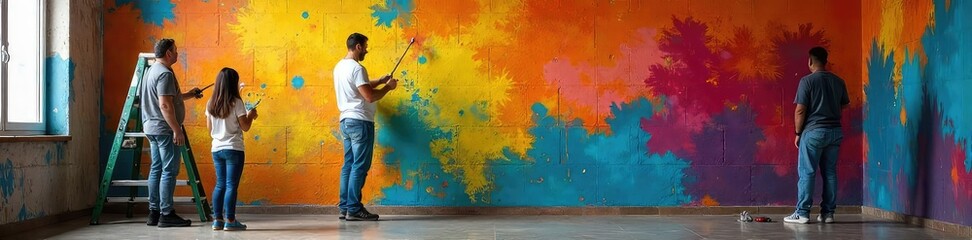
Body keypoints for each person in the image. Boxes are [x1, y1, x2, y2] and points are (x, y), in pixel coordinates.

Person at [333, 33, 398, 221]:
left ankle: (345, 207)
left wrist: (379, 80)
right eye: (366, 46)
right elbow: (369, 96)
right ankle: (354, 208)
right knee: (360, 166)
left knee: (349, 165)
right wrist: (388, 87)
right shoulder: (357, 68)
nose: (367, 50)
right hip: (360, 122)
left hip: (345, 121)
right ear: (359, 47)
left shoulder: (339, 67)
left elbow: (359, 86)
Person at [784, 46, 850, 224]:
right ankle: (828, 214)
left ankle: (802, 213)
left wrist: (798, 133)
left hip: (813, 132)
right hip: (835, 132)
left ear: (810, 61)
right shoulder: (839, 81)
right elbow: (844, 105)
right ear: (826, 61)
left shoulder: (807, 81)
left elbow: (800, 110)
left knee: (807, 172)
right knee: (830, 173)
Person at [141, 38, 202, 228]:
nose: (177, 54)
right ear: (168, 53)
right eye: (175, 51)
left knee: (157, 169)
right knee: (169, 170)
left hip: (151, 127)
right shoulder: (165, 74)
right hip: (164, 129)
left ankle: (154, 212)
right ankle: (166, 213)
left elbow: (168, 97)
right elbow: (165, 104)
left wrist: (190, 94)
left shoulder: (151, 71)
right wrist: (177, 129)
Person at [205, 67, 258, 231]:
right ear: (233, 83)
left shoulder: (210, 103)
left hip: (216, 149)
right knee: (231, 185)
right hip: (234, 148)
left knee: (220, 184)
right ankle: (230, 220)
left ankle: (217, 220)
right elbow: (245, 126)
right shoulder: (237, 102)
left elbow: (209, 129)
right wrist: (252, 115)